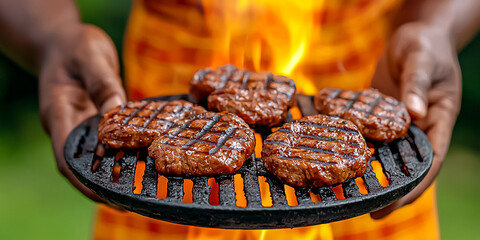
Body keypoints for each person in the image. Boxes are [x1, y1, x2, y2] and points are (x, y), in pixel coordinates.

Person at [0, 0, 478, 239]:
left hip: (372, 87)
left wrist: (434, 27)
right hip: (161, 107)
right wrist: (54, 36)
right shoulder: (179, 120)